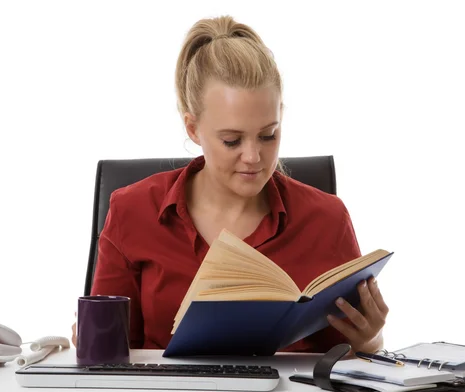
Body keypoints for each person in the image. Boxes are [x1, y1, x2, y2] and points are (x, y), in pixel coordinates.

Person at [71, 15, 389, 354]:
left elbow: (345, 359)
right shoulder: (133, 210)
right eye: (231, 140)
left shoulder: (327, 219)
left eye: (268, 135)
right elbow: (113, 362)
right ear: (193, 128)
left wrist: (370, 340)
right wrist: (92, 341)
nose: (253, 157)